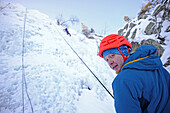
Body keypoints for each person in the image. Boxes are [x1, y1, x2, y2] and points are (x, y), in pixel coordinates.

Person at [98, 34, 170, 113]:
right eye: (107, 60)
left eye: (112, 56)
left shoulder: (123, 80)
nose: (110, 62)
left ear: (124, 52)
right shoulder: (158, 68)